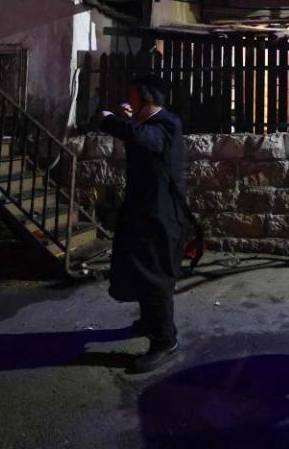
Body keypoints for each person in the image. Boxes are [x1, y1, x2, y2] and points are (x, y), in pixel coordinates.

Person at [99, 74, 194, 373]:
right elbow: (140, 138)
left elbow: (146, 140)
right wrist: (129, 121)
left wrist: (111, 120)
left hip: (160, 217)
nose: (128, 101)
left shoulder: (166, 124)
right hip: (145, 213)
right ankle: (150, 322)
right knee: (141, 269)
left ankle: (165, 341)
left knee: (155, 276)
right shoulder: (150, 123)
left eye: (133, 96)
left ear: (146, 99)